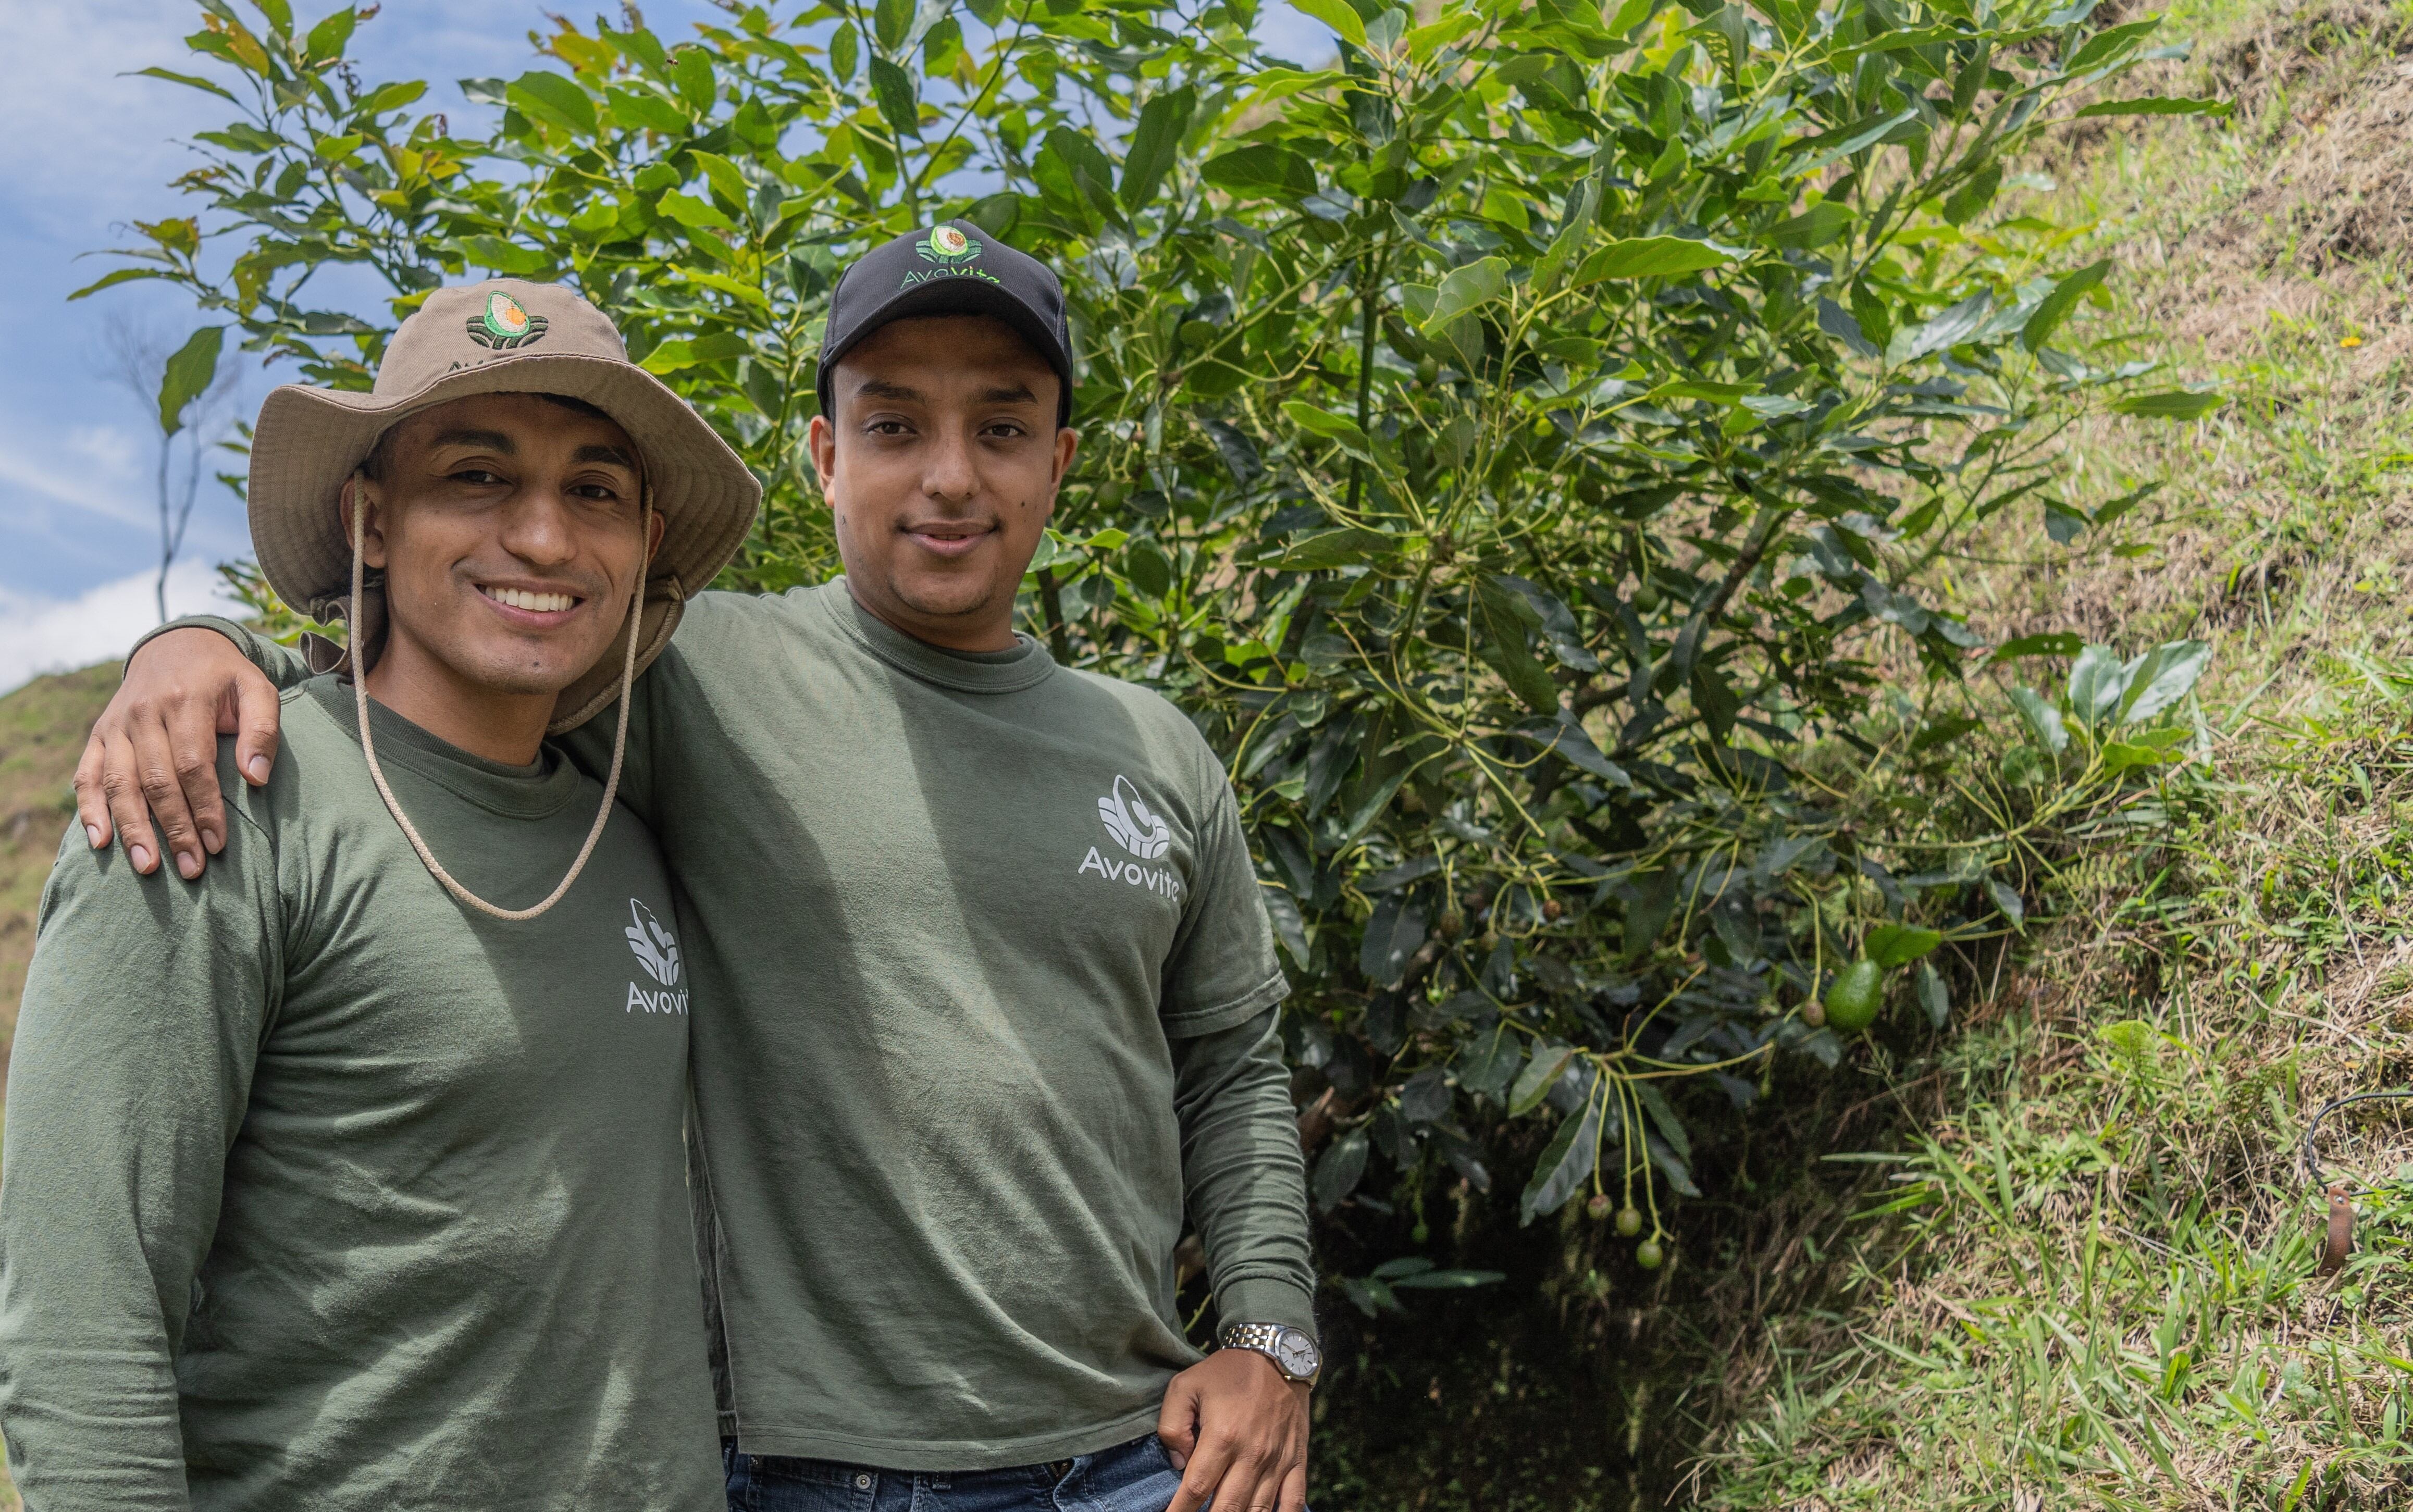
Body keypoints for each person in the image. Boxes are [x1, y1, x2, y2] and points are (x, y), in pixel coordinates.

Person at [79, 226, 1322, 1512]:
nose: (951, 477)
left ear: (1058, 462)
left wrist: (1272, 1331)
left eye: (1001, 429)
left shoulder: (1158, 749)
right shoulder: (690, 679)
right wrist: (199, 649)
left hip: (1146, 1462)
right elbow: (451, 652)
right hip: (815, 1473)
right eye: (894, 427)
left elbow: (1231, 1061)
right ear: (827, 455)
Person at [1, 280, 762, 1510]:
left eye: (595, 491)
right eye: (476, 475)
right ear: (368, 518)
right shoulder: (214, 799)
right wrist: (192, 645)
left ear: (643, 540)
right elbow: (82, 1314)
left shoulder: (632, 837)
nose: (547, 539)